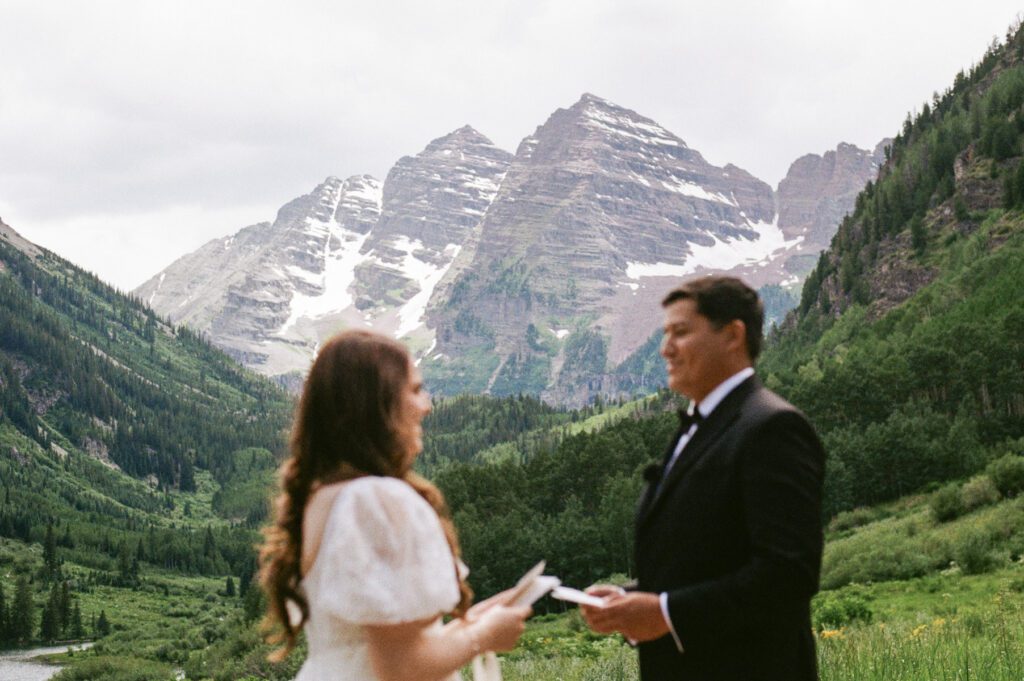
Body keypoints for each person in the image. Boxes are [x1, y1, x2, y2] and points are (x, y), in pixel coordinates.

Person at [581, 276, 825, 680]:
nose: (665, 348)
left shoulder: (773, 428)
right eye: (665, 334)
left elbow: (787, 575)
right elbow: (706, 559)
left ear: (732, 335)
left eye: (681, 332)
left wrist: (664, 613)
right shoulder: (702, 425)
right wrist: (633, 600)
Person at [258, 330, 531, 681]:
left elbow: (376, 647)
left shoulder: (322, 500)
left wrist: (477, 621)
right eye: (415, 390)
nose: (426, 405)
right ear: (377, 404)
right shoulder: (375, 499)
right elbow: (400, 669)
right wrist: (484, 635)